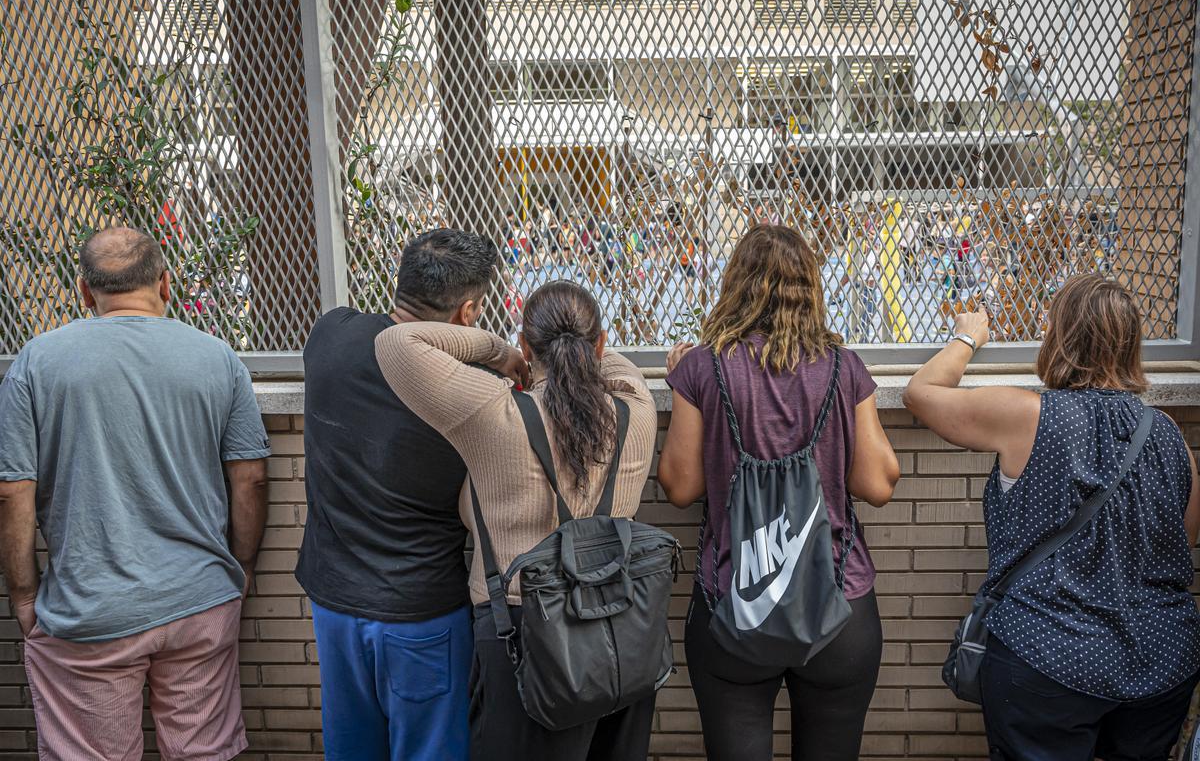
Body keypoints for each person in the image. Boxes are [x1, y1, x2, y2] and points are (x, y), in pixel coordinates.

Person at [903, 275, 1200, 760]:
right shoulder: (1168, 434)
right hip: (1160, 663)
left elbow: (921, 393)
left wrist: (967, 335)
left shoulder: (1026, 414)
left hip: (1046, 656)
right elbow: (1180, 545)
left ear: (1061, 336)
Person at [0, 227, 270, 761]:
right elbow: (252, 477)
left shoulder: (38, 361)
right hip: (200, 600)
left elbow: (12, 494)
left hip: (88, 610)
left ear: (84, 292)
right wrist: (239, 566)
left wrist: (25, 596)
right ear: (166, 284)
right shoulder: (217, 358)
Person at [373, 280, 658, 761]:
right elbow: (612, 366)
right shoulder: (637, 409)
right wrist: (583, 356)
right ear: (601, 345)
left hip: (523, 632)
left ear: (528, 346)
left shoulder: (494, 411)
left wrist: (500, 350)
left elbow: (395, 342)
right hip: (623, 628)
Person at [657, 224, 901, 761]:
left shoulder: (704, 367)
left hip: (733, 606)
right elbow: (878, 484)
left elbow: (679, 487)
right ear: (811, 289)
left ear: (736, 285)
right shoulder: (842, 367)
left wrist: (684, 383)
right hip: (839, 606)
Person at [295, 229, 499, 761]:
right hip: (422, 612)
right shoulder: (467, 387)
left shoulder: (331, 335)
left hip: (335, 604)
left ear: (400, 282)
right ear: (469, 310)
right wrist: (500, 352)